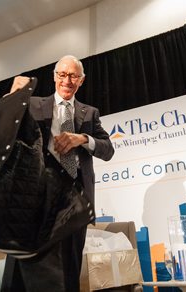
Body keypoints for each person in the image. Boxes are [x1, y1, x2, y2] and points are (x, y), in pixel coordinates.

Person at [7, 55, 114, 291]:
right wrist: (12, 100)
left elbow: (108, 150)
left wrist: (83, 138)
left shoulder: (90, 113)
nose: (68, 80)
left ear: (81, 80)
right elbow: (7, 130)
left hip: (74, 204)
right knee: (21, 273)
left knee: (69, 274)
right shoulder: (33, 105)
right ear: (55, 77)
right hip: (34, 200)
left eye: (74, 76)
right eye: (63, 75)